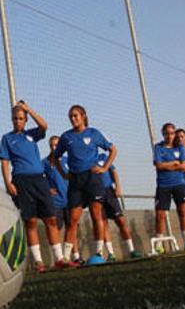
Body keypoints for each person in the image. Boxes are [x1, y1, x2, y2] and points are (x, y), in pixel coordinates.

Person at [0, 102, 64, 273]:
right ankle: (38, 262)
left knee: (51, 218)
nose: (18, 121)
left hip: (40, 181)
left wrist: (28, 109)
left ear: (26, 120)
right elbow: (4, 162)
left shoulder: (31, 135)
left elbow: (44, 125)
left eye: (21, 118)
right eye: (15, 118)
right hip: (21, 182)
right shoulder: (7, 138)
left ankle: (59, 258)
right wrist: (8, 183)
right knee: (31, 221)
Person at [53, 105, 117, 266]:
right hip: (76, 180)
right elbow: (55, 157)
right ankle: (66, 257)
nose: (73, 119)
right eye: (70, 116)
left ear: (83, 116)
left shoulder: (94, 133)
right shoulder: (66, 137)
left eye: (75, 115)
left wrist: (104, 168)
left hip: (92, 178)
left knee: (96, 215)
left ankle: (98, 252)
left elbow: (113, 150)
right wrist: (64, 174)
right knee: (73, 219)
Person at [152, 123, 185, 251]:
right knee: (160, 215)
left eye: (171, 133)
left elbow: (184, 166)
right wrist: (174, 163)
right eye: (166, 133)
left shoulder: (180, 147)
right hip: (163, 185)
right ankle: (159, 245)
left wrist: (168, 165)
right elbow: (159, 165)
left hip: (179, 183)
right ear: (163, 134)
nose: (169, 136)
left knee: (183, 212)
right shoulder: (158, 147)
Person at [42, 136, 81, 264]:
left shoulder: (68, 160)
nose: (54, 147)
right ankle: (58, 259)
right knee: (56, 229)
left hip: (70, 200)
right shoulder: (45, 162)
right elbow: (39, 178)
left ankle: (75, 257)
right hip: (56, 202)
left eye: (56, 145)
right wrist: (47, 189)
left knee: (72, 227)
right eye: (52, 145)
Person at [96, 151, 141, 260]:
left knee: (120, 220)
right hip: (95, 193)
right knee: (103, 223)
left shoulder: (103, 156)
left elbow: (113, 171)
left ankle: (131, 250)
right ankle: (111, 254)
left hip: (109, 192)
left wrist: (118, 187)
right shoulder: (85, 160)